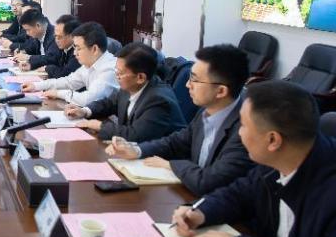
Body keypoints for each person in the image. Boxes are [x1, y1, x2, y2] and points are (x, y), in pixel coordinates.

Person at [171, 81, 336, 237]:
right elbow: (239, 193)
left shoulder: (328, 191)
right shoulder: (277, 162)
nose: (239, 133)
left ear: (273, 140)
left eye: (243, 126)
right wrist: (200, 211)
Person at [106, 44, 252, 195]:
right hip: (194, 194)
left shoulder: (246, 131)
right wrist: (137, 150)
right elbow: (176, 142)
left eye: (195, 80)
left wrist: (171, 165)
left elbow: (209, 182)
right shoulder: (206, 111)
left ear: (221, 91)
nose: (187, 85)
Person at [67, 42, 186, 142]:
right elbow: (109, 103)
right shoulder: (130, 86)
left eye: (120, 73)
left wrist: (99, 126)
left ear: (140, 77)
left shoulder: (158, 100)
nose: (116, 76)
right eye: (116, 71)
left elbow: (134, 135)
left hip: (161, 159)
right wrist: (85, 111)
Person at [22, 21, 118, 106]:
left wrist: (58, 93)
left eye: (78, 48)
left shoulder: (109, 69)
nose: (75, 53)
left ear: (94, 49)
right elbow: (69, 82)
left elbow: (88, 99)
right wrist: (37, 86)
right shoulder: (90, 65)